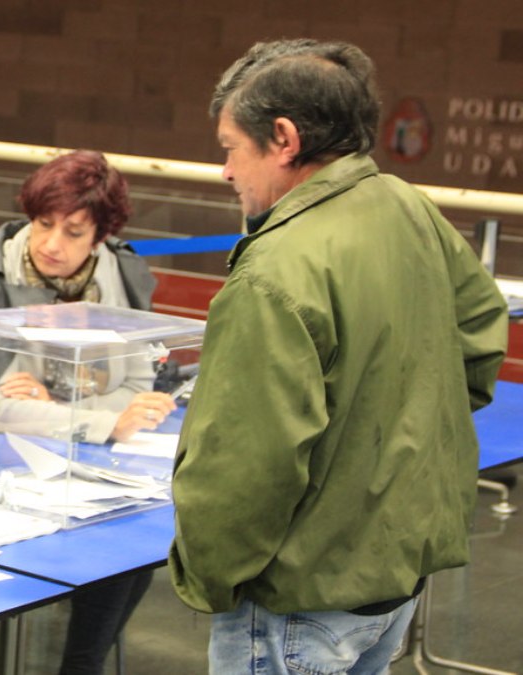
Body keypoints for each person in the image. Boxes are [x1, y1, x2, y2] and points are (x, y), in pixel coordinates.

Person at [168, 39, 509, 674]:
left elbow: (245, 466)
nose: (225, 171)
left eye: (230, 148)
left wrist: (209, 582)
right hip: (389, 578)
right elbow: (483, 331)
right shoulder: (408, 207)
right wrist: (387, 442)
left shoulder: (275, 270)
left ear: (284, 138)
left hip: (296, 599)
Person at [0, 150, 170, 675]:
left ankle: (79, 666)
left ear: (100, 235)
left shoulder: (120, 274)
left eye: (74, 232)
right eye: (43, 224)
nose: (52, 244)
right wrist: (103, 418)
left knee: (133, 546)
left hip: (91, 466)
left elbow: (141, 391)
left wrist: (60, 409)